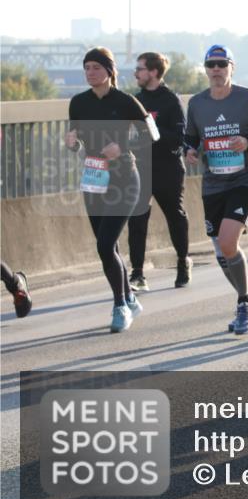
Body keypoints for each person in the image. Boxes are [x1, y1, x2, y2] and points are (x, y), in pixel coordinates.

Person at [65, 47, 159, 332]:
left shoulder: (126, 101)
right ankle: (129, 297)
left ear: (109, 71)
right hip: (94, 180)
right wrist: (73, 144)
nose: (90, 72)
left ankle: (120, 306)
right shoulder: (78, 103)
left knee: (105, 244)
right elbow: (77, 140)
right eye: (87, 67)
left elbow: (152, 134)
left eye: (96, 67)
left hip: (124, 180)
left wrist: (124, 147)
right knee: (107, 249)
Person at [184, 45, 248, 334]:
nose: (216, 69)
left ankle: (244, 303)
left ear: (232, 67)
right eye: (211, 64)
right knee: (222, 251)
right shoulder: (197, 103)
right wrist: (190, 151)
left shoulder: (246, 97)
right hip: (213, 182)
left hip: (244, 178)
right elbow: (190, 139)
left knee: (228, 241)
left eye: (222, 63)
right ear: (206, 69)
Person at [127, 52, 192, 291]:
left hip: (168, 168)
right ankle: (137, 273)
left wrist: (152, 129)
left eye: (140, 69)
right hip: (141, 167)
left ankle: (183, 262)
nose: (136, 73)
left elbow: (179, 138)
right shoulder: (136, 100)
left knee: (175, 216)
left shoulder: (171, 100)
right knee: (137, 220)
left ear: (153, 72)